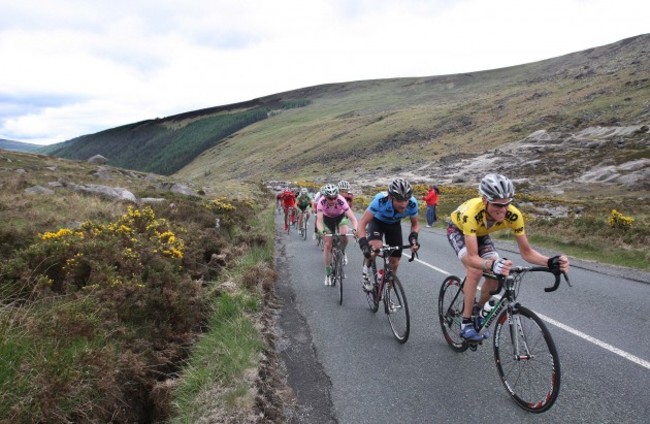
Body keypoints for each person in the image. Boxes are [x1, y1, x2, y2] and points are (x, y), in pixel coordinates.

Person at [447, 173, 570, 342]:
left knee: (496, 277)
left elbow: (527, 253)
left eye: (507, 204)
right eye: (498, 204)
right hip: (459, 230)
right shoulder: (472, 213)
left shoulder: (514, 215)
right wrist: (491, 264)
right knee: (475, 271)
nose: (503, 209)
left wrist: (550, 262)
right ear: (485, 201)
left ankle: (478, 309)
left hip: (482, 234)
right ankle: (466, 322)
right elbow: (472, 257)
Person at [357, 177, 420, 292]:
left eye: (406, 200)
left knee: (395, 262)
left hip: (394, 225)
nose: (404, 204)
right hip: (377, 223)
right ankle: (367, 269)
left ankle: (387, 292)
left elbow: (415, 224)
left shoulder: (412, 204)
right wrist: (363, 244)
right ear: (391, 197)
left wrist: (413, 238)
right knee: (375, 247)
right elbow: (362, 223)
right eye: (400, 200)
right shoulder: (380, 200)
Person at [316, 183, 358, 286]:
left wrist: (355, 229)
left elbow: (352, 218)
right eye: (330, 199)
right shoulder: (321, 202)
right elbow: (319, 222)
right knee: (328, 244)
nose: (333, 200)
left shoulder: (341, 200)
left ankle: (342, 252)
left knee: (344, 233)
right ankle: (327, 273)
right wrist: (323, 231)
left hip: (340, 217)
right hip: (327, 220)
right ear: (325, 197)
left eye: (335, 197)